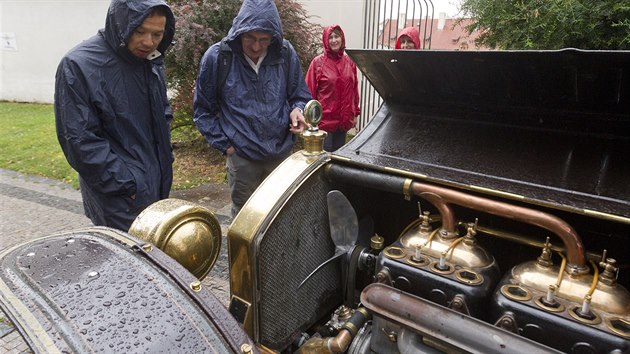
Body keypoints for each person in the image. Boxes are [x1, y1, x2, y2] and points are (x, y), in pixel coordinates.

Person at [54, 0, 175, 231]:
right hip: (118, 195)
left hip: (155, 183)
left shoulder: (150, 60)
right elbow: (79, 140)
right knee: (124, 258)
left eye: (157, 34)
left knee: (152, 257)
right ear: (122, 23)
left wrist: (165, 159)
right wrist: (126, 185)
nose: (149, 42)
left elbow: (162, 111)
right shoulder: (79, 65)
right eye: (140, 31)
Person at [193, 0, 311, 218]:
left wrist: (297, 109)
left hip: (281, 154)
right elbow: (203, 112)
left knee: (281, 215)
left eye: (264, 40)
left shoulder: (284, 53)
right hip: (242, 158)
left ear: (273, 38)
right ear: (239, 32)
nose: (256, 46)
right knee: (245, 219)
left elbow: (299, 95)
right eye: (250, 37)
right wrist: (227, 147)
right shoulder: (219, 57)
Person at [305, 25, 360, 152]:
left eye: (337, 36)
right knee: (324, 158)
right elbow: (309, 91)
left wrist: (355, 113)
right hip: (324, 123)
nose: (334, 40)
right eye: (331, 37)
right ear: (325, 40)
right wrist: (310, 119)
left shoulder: (349, 62)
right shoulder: (317, 63)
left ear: (342, 39)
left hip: (343, 122)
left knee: (338, 158)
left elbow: (354, 89)